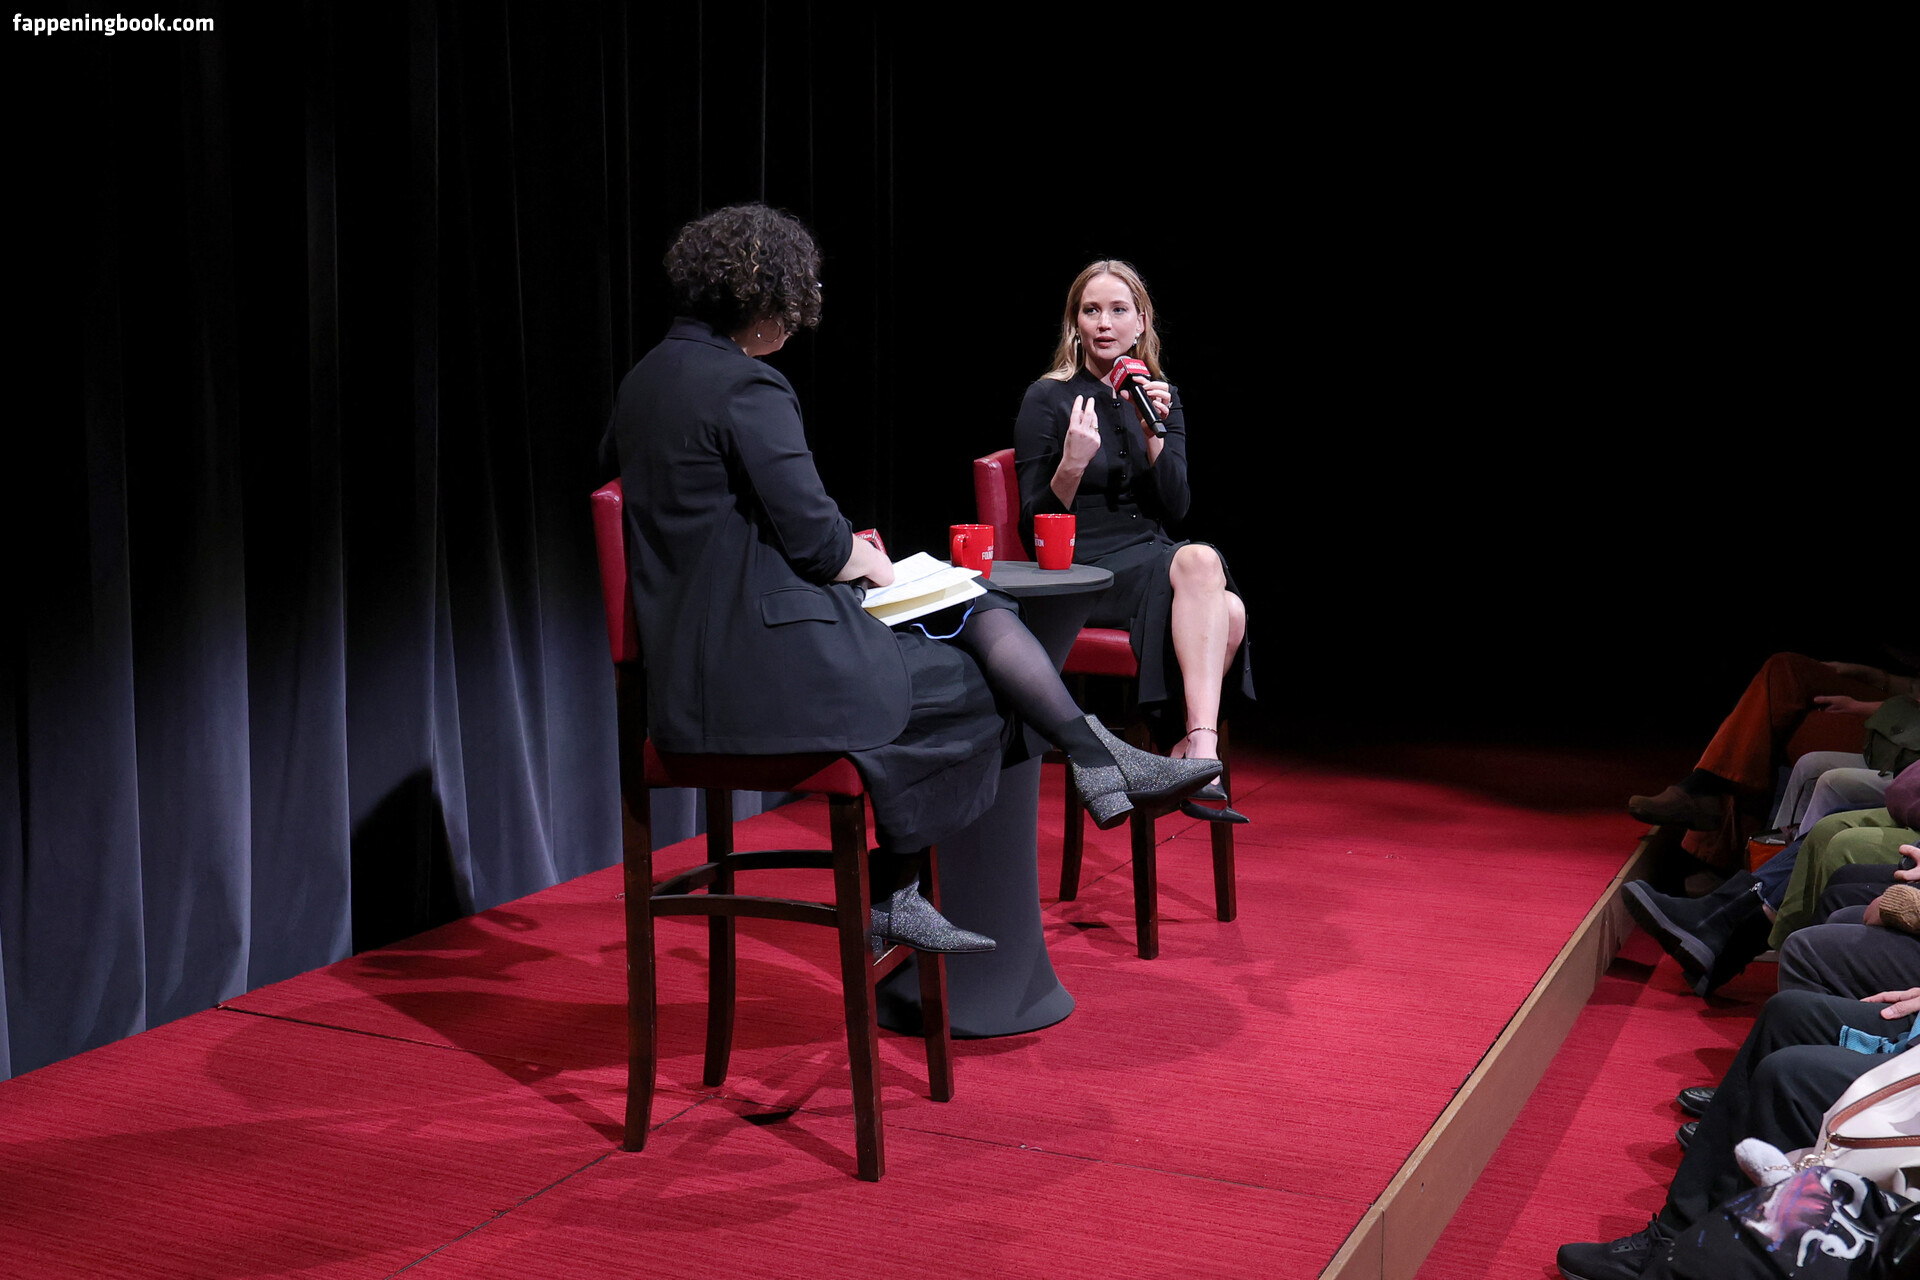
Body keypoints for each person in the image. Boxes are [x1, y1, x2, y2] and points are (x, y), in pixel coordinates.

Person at [602, 206, 1220, 954]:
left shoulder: (643, 380)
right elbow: (816, 541)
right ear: (761, 295)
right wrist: (865, 558)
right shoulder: (746, 386)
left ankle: (1044, 792)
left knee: (966, 622)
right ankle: (910, 878)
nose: (795, 324)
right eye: (792, 306)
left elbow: (698, 511)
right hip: (757, 665)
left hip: (683, 669)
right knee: (975, 679)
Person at [1012, 261, 1252, 821]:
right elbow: (1032, 529)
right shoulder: (1047, 398)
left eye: (1119, 310)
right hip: (1084, 566)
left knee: (1231, 609)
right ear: (1074, 323)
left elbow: (1176, 506)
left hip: (1150, 555)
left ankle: (1189, 749)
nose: (1104, 323)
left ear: (1141, 322)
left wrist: (1154, 434)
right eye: (1091, 310)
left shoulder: (1159, 398)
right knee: (1207, 572)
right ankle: (1197, 751)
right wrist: (1071, 465)